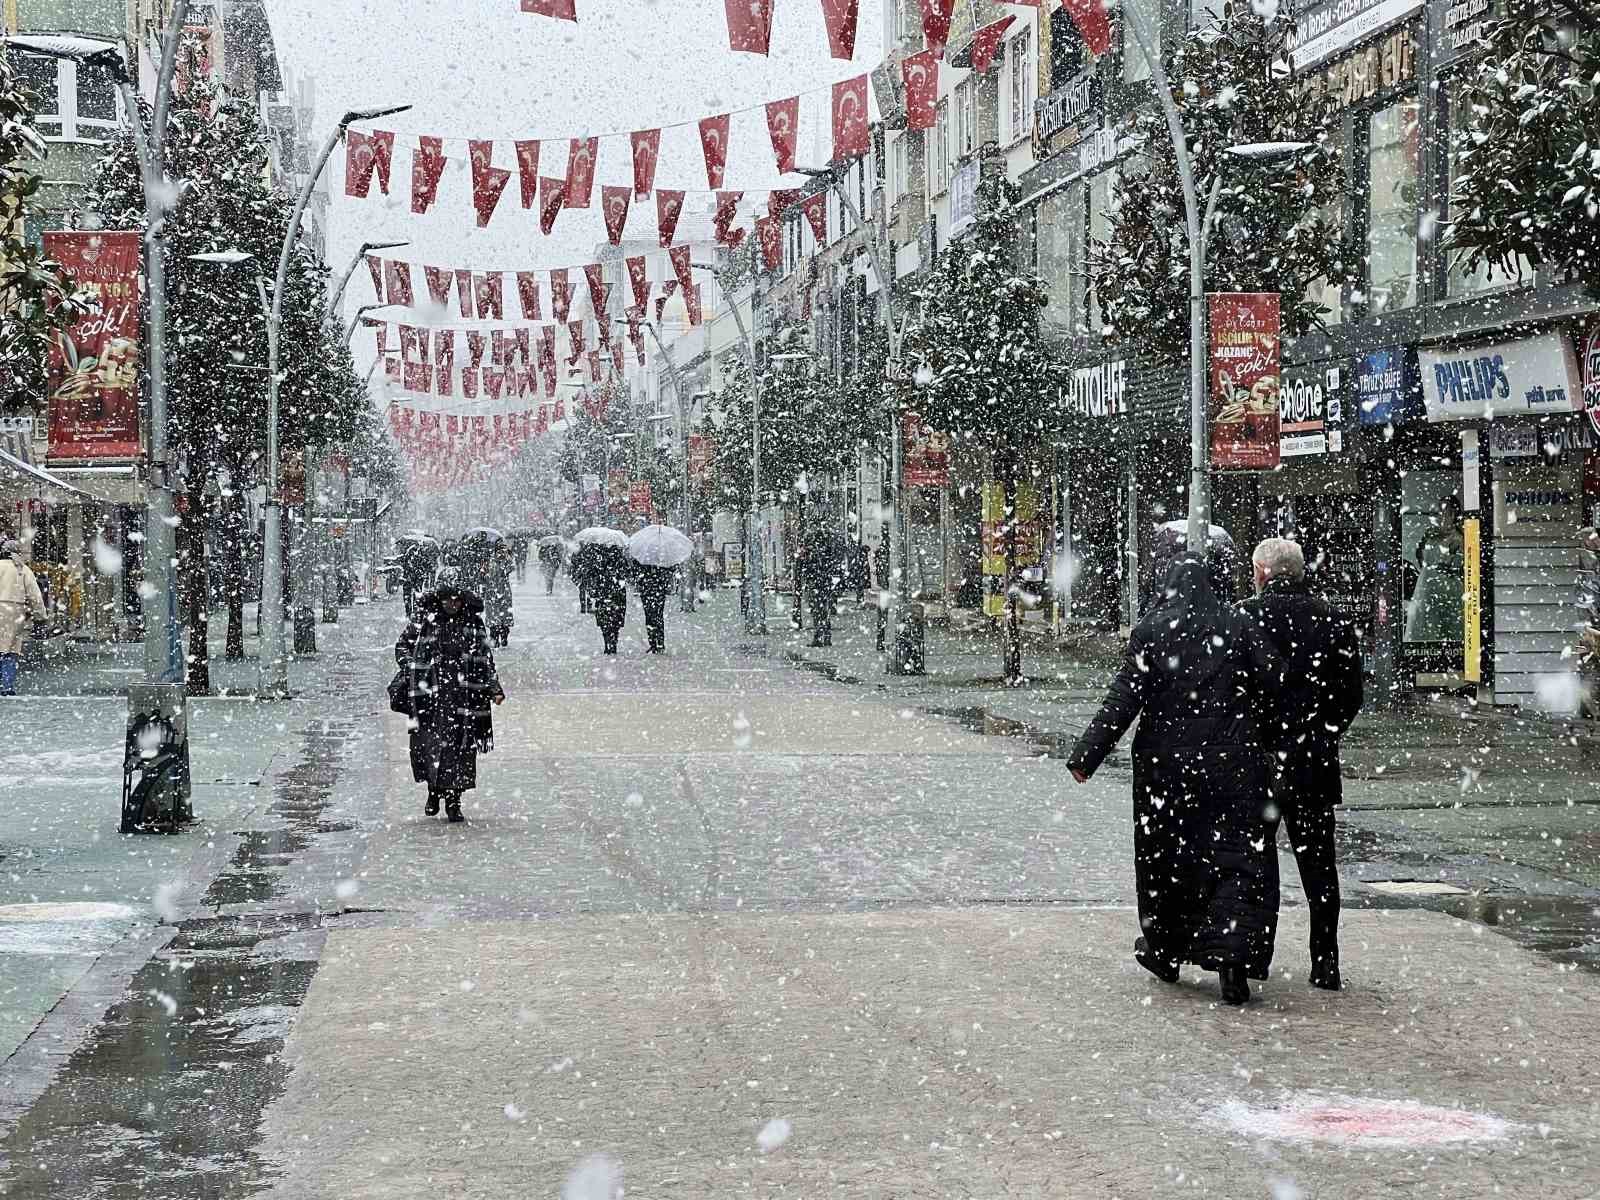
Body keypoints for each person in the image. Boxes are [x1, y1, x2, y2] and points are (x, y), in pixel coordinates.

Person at [1067, 555, 1283, 1005]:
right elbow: (1277, 683)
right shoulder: (1239, 625)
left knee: (1166, 861)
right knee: (1238, 860)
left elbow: (1122, 700)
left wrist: (1086, 756)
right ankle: (1232, 958)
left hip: (1167, 772)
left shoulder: (1151, 630)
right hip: (1235, 767)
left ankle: (1165, 950)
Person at [1240, 537, 1364, 991]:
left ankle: (1254, 955)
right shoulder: (1333, 619)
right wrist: (1323, 733)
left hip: (1257, 762)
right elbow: (1351, 695)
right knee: (1319, 867)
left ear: (1261, 572)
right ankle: (1325, 960)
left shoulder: (1243, 618)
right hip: (1313, 761)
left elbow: (1232, 691)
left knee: (1253, 860)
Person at [395, 584, 505, 822]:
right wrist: (413, 668)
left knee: (461, 750)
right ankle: (433, 793)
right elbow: (402, 646)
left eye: (456, 601)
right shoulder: (426, 620)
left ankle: (454, 800)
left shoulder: (473, 623)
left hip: (464, 698)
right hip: (429, 699)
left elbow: (485, 659)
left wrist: (494, 688)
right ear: (440, 601)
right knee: (431, 747)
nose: (452, 605)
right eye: (448, 601)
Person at [0, 540, 45, 696]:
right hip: (15, 611)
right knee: (10, 649)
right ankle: (6, 686)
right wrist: (40, 616)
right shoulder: (23, 569)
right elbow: (35, 595)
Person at [800, 522, 844, 648]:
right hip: (825, 584)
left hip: (817, 584)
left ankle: (819, 637)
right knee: (824, 610)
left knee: (818, 611)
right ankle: (826, 636)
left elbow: (809, 569)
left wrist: (809, 578)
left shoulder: (814, 553)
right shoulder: (827, 550)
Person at [590, 545, 630, 655]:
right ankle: (613, 642)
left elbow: (592, 575)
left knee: (604, 619)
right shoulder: (620, 558)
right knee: (615, 620)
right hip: (617, 594)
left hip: (603, 593)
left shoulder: (598, 557)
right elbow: (626, 574)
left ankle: (607, 642)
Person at [635, 562, 674, 653]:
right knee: (653, 616)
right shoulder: (660, 558)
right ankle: (656, 643)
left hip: (652, 588)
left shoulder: (646, 558)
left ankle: (657, 643)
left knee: (654, 616)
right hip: (652, 589)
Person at [482, 544, 516, 647]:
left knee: (504, 615)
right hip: (493, 592)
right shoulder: (489, 561)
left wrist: (508, 557)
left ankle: (503, 635)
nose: (501, 554)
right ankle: (495, 637)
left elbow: (510, 567)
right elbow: (483, 575)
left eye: (503, 551)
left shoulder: (507, 561)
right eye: (499, 551)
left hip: (502, 593)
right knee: (493, 615)